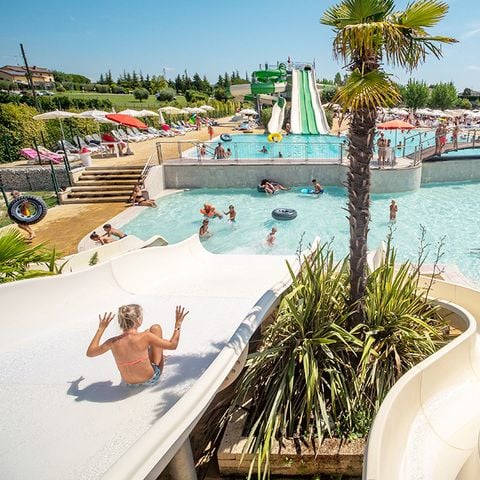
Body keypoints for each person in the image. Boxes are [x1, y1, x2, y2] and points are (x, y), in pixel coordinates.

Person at [86, 304, 189, 387]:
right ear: (138, 320)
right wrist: (178, 324)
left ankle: (155, 347)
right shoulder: (145, 336)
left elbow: (90, 353)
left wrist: (101, 328)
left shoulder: (112, 342)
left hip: (130, 384)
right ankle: (160, 352)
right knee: (155, 328)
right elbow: (173, 345)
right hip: (151, 379)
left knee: (146, 340)